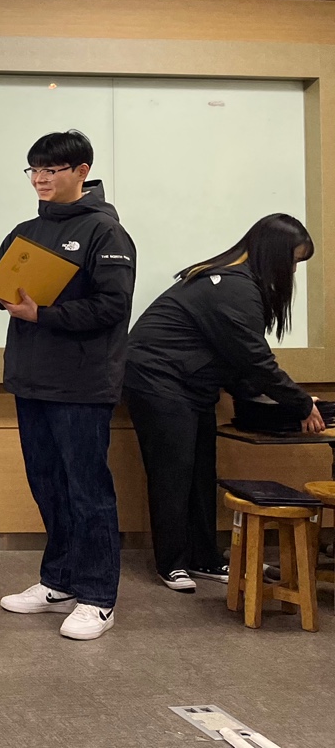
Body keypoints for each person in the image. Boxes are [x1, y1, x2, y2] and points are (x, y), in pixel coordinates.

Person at [124, 214, 325, 593]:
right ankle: (171, 563)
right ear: (274, 254)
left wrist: (290, 401)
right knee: (173, 474)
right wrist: (299, 403)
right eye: (293, 261)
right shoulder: (232, 287)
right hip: (157, 381)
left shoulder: (237, 282)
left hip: (191, 385)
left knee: (201, 473)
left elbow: (239, 362)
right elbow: (255, 360)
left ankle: (204, 557)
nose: (293, 271)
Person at [0, 130, 135, 641]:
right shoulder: (26, 231)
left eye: (51, 169)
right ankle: (59, 581)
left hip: (82, 383)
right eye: (34, 169)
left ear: (81, 172)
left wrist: (44, 314)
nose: (40, 178)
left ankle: (98, 596)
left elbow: (113, 306)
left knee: (87, 489)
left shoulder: (105, 233)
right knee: (47, 483)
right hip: (31, 377)